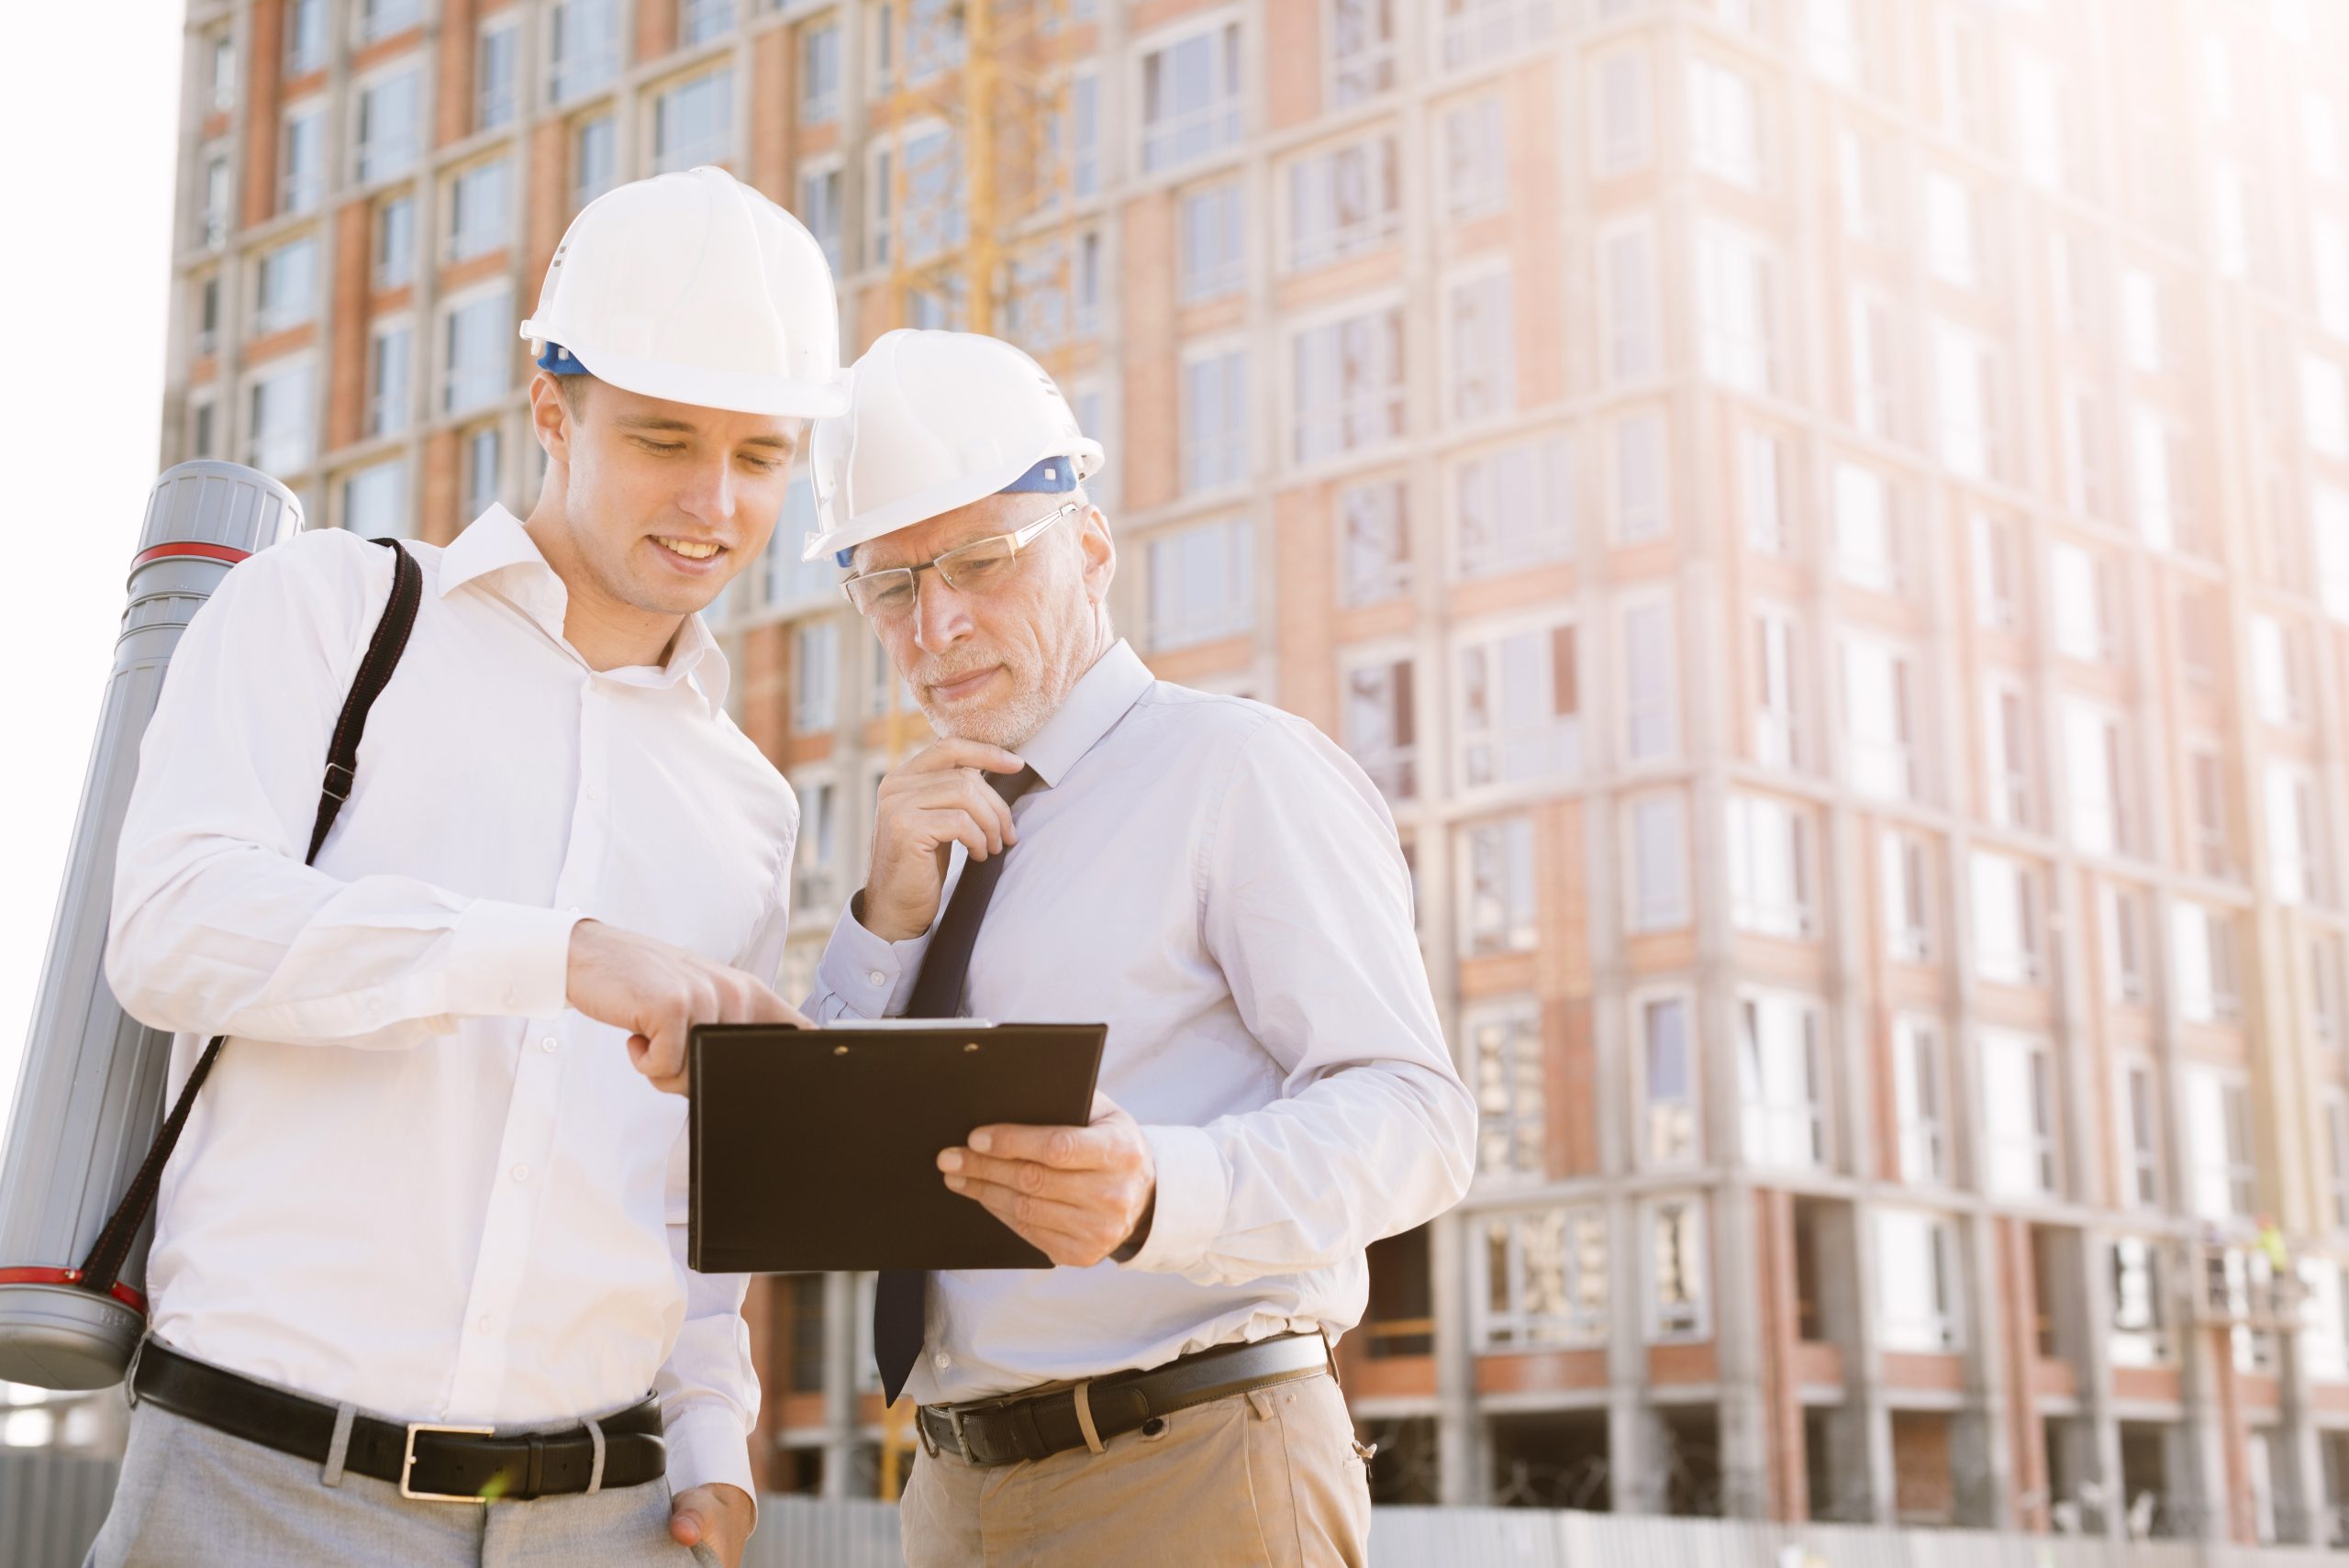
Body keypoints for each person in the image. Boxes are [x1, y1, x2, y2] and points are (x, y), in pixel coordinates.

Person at [90, 167, 843, 1568]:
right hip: (258, 1491)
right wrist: (551, 953)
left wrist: (712, 1441)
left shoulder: (747, 803)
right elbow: (172, 927)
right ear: (552, 408)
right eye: (664, 439)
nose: (713, 500)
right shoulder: (331, 613)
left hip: (601, 1518)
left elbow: (685, 1185)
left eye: (761, 456)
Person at [802, 328, 1476, 1566]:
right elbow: (837, 1166)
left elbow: (1420, 1121)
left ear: (1092, 549)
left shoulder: (1237, 770)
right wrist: (882, 925)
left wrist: (1161, 1190)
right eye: (890, 586)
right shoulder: (938, 833)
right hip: (956, 1491)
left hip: (1194, 1471)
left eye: (982, 561)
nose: (935, 623)